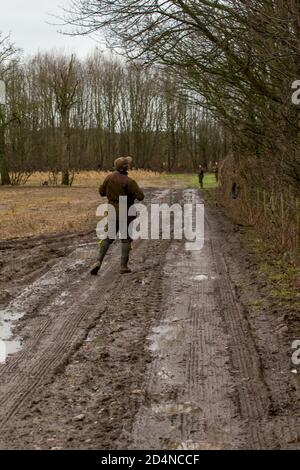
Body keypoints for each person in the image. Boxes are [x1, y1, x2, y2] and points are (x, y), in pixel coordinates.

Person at [90, 156, 145, 275]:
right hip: (125, 211)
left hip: (111, 211)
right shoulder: (129, 181)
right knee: (125, 239)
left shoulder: (109, 178)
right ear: (125, 167)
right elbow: (141, 196)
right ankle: (123, 266)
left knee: (108, 238)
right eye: (128, 164)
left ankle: (98, 261)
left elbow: (101, 192)